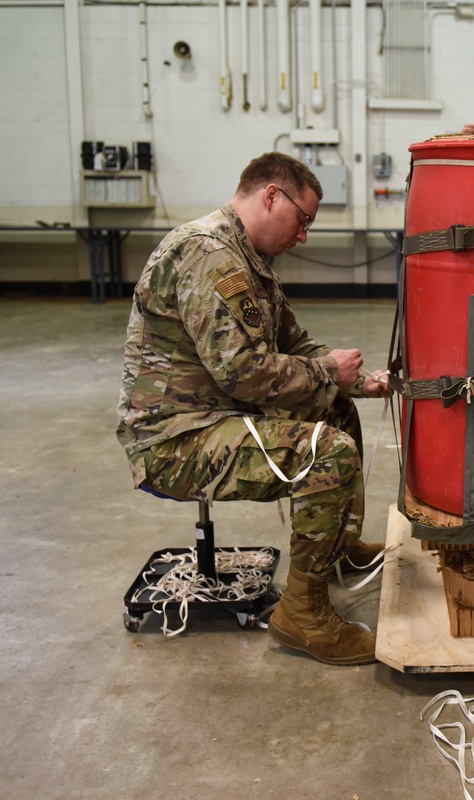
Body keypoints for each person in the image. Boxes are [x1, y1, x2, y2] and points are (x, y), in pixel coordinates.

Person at [116, 152, 391, 667]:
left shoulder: (251, 262)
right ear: (271, 196)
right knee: (325, 454)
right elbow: (242, 373)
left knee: (337, 412)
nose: (304, 235)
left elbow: (295, 345)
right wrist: (329, 372)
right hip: (176, 438)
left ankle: (334, 547)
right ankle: (302, 616)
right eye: (302, 220)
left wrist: (353, 381)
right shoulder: (210, 255)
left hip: (216, 416)